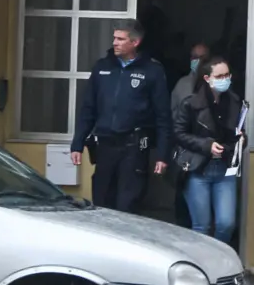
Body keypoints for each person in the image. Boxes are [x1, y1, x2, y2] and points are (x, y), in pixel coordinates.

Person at [70, 19, 172, 212]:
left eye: (120, 39)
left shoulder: (152, 70)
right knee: (101, 203)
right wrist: (78, 143)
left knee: (128, 205)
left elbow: (163, 117)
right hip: (105, 145)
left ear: (135, 42)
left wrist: (162, 155)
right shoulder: (102, 67)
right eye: (114, 38)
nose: (115, 42)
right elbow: (88, 109)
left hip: (133, 147)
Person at [171, 56, 245, 245]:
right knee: (201, 226)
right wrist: (206, 145)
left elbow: (238, 133)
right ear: (207, 78)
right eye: (219, 76)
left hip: (224, 170)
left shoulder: (235, 102)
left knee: (226, 223)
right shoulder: (191, 103)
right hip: (197, 169)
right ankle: (202, 265)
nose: (225, 79)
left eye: (227, 75)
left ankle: (219, 259)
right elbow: (179, 133)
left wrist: (239, 141)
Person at [171, 42, 211, 113]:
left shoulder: (216, 83)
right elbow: (173, 112)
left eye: (202, 58)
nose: (199, 61)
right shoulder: (181, 84)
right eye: (195, 57)